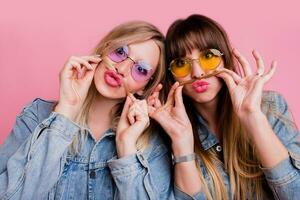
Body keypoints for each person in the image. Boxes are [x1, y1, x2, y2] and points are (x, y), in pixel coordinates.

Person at [0, 21, 174, 200]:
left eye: (140, 70)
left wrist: (126, 146)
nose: (121, 69)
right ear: (105, 48)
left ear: (144, 87)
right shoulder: (36, 116)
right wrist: (66, 110)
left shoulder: (150, 143)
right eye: (120, 52)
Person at [147, 14, 300, 199]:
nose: (197, 73)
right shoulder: (167, 133)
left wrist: (253, 117)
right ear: (171, 76)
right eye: (181, 63)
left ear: (225, 58)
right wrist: (182, 143)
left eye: (208, 56)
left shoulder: (270, 107)